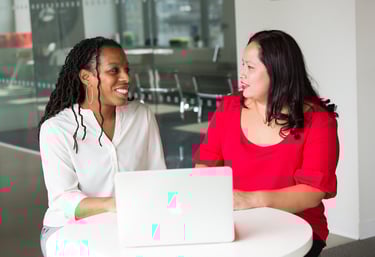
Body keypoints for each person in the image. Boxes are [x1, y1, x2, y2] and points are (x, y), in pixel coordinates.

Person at [193, 30, 339, 257]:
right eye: (243, 65)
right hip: (238, 221)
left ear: (278, 72)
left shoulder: (319, 120)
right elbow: (205, 165)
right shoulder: (229, 108)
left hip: (297, 227)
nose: (241, 74)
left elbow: (313, 192)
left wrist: (251, 200)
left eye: (250, 68)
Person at [38, 37, 166, 256]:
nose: (125, 78)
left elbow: (157, 175)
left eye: (126, 70)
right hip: (68, 228)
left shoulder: (141, 115)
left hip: (129, 222)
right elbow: (63, 201)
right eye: (113, 71)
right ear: (86, 78)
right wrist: (114, 204)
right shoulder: (56, 129)